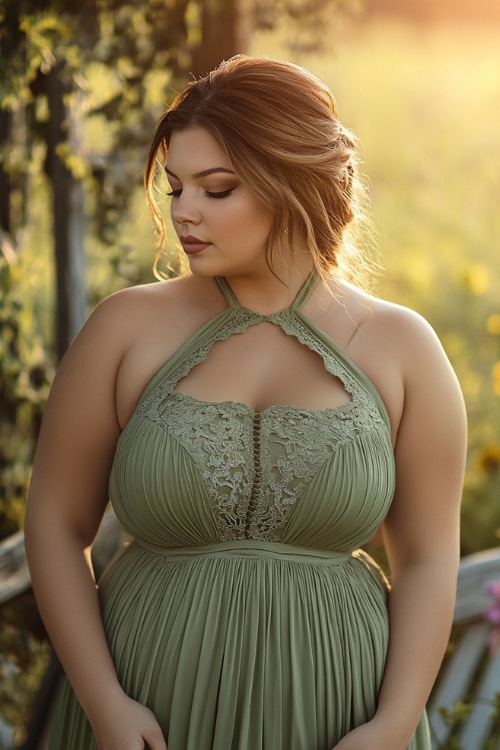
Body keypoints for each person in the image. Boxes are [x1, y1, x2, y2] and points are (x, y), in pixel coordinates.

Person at [25, 55, 467, 750]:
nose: (184, 212)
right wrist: (106, 704)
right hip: (147, 702)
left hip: (338, 710)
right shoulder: (124, 330)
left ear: (293, 185)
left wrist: (392, 724)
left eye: (217, 189)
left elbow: (429, 558)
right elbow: (54, 525)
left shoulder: (402, 348)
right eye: (175, 188)